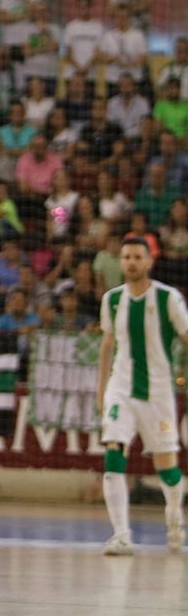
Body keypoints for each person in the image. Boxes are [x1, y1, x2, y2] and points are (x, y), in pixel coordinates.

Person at [97, 237, 188, 556]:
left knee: (167, 469)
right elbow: (107, 345)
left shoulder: (168, 298)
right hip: (121, 388)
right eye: (126, 257)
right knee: (113, 451)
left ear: (149, 261)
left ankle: (174, 517)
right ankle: (122, 535)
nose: (131, 262)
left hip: (158, 393)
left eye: (137, 257)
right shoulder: (111, 300)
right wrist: (101, 390)